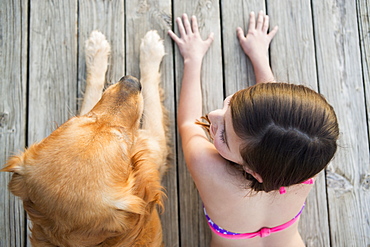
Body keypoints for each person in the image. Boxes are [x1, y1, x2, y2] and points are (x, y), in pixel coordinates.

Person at [168, 11, 339, 247]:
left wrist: (192, 60)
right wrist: (260, 56)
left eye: (223, 136)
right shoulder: (307, 159)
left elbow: (189, 123)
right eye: (230, 104)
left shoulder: (206, 165)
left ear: (252, 170)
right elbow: (278, 124)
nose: (213, 116)